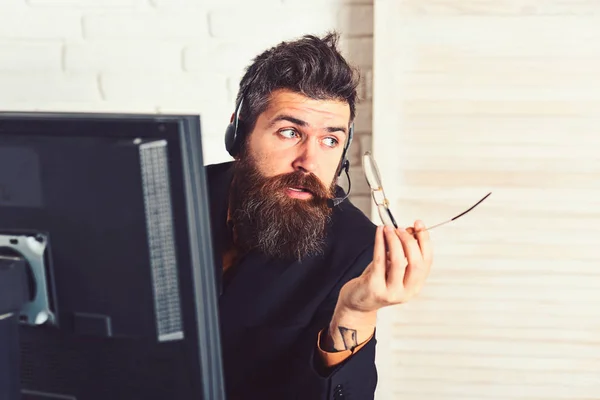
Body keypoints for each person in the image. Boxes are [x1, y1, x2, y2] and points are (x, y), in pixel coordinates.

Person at [206, 32, 433, 400]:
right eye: (289, 132)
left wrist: (356, 312)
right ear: (239, 133)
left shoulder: (357, 248)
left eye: (330, 140)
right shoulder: (167, 196)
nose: (309, 162)